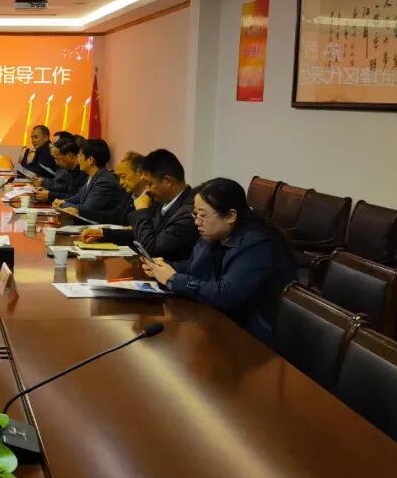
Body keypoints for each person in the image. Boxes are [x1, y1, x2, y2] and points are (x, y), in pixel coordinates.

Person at [142, 177, 297, 344]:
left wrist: (173, 279)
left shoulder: (257, 245)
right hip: (223, 320)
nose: (197, 222)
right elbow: (196, 267)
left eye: (202, 215)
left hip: (252, 336)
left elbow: (226, 294)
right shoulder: (216, 234)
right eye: (195, 214)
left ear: (230, 216)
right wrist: (166, 267)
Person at [85, 149, 199, 262]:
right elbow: (141, 234)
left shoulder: (189, 213)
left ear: (167, 181)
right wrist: (103, 234)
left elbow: (151, 249)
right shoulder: (165, 201)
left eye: (149, 184)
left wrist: (141, 209)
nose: (147, 190)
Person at [57, 139, 129, 224]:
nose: (78, 159)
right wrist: (64, 201)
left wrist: (62, 204)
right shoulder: (93, 175)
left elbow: (87, 209)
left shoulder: (104, 181)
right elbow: (80, 195)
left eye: (80, 155)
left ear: (90, 160)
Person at [33, 136, 86, 203]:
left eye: (57, 159)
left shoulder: (83, 172)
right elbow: (65, 192)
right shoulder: (70, 170)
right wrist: (47, 191)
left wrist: (49, 195)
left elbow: (76, 198)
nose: (56, 163)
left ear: (69, 156)